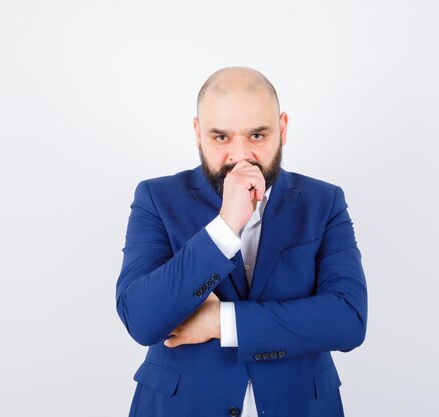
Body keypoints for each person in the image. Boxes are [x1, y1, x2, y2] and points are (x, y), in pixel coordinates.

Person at [115, 66, 368, 417]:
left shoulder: (324, 202)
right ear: (197, 133)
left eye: (258, 136)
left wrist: (221, 321)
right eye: (221, 138)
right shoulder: (156, 198)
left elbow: (347, 319)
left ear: (282, 128)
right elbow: (142, 319)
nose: (240, 156)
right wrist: (225, 226)